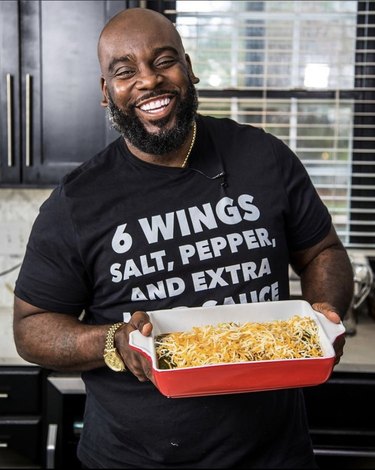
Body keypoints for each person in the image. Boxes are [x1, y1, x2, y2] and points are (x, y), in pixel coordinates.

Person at [13, 7, 354, 469]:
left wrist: (325, 315)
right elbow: (32, 328)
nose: (148, 81)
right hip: (134, 460)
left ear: (189, 68)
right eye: (124, 70)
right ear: (105, 92)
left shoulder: (263, 156)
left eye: (163, 60)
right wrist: (113, 342)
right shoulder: (77, 202)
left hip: (275, 454)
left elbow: (323, 251)